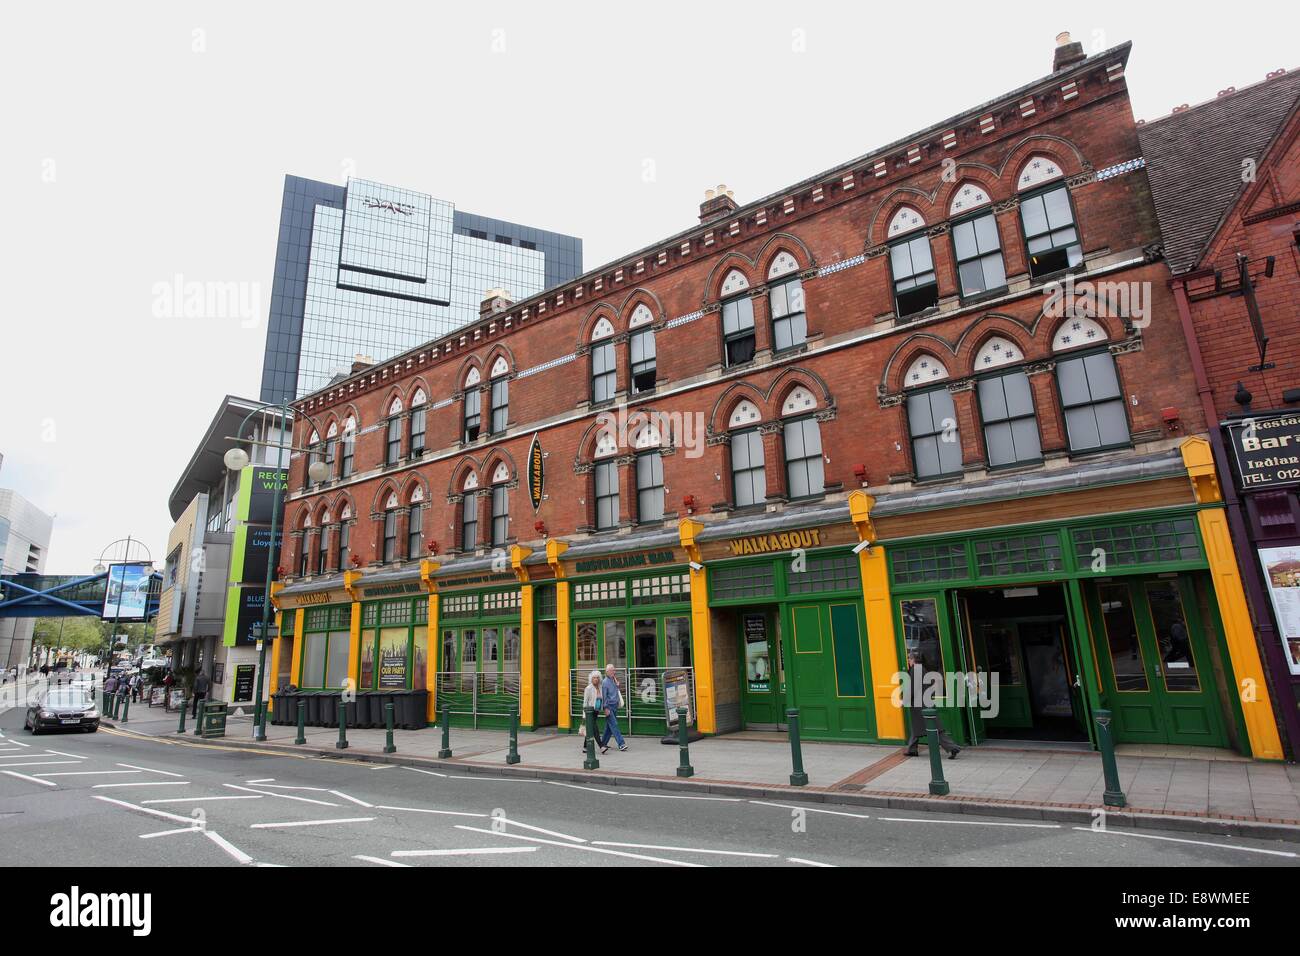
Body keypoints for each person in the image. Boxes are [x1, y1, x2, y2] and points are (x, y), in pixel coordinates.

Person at [903, 648, 961, 759]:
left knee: (935, 728)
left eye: (909, 659)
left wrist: (904, 699)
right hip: (923, 703)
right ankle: (912, 749)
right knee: (917, 727)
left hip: (921, 705)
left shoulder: (916, 670)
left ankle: (953, 748)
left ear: (913, 659)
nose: (908, 661)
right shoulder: (921, 669)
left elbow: (913, 688)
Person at [598, 664, 627, 753]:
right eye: (611, 670)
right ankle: (621, 744)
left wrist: (617, 685)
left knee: (609, 727)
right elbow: (604, 696)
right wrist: (606, 708)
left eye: (614, 670)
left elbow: (614, 692)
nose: (614, 672)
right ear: (607, 672)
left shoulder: (613, 680)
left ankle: (603, 743)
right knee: (614, 725)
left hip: (614, 706)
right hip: (609, 707)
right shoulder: (605, 682)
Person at [579, 669, 602, 751]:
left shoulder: (600, 687)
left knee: (590, 729)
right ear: (591, 679)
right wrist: (584, 715)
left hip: (596, 711)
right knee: (595, 728)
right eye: (594, 678)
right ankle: (601, 746)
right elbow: (585, 702)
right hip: (589, 712)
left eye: (597, 677)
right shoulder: (588, 688)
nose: (596, 679)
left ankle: (585, 747)